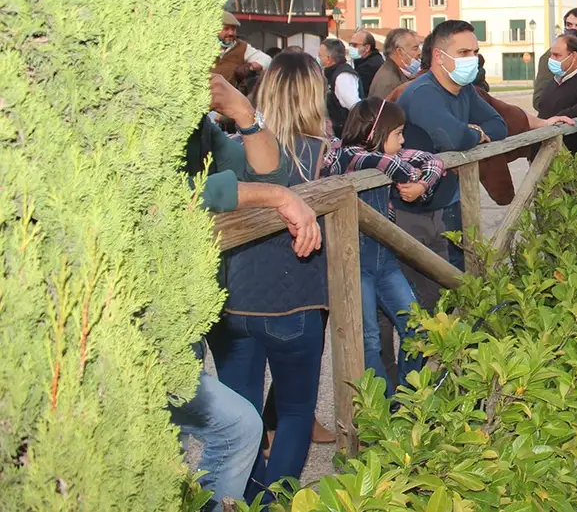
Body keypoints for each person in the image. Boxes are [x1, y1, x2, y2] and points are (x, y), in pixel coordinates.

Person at [173, 75, 317, 512]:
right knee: (227, 428)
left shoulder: (200, 123)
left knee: (231, 427)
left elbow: (269, 169)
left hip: (189, 311)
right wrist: (275, 196)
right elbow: (175, 195)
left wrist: (246, 116)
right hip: (143, 314)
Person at [206, 52, 334, 502]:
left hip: (232, 298)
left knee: (242, 420)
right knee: (296, 412)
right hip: (294, 298)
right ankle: (273, 504)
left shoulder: (233, 148)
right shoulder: (325, 153)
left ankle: (246, 499)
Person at [324, 97, 444, 396]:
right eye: (398, 133)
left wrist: (421, 184)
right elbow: (386, 163)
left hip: (384, 259)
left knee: (415, 326)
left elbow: (434, 160)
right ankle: (380, 406)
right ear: (374, 132)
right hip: (355, 260)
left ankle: (406, 394)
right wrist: (414, 178)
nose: (403, 140)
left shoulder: (386, 154)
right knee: (369, 338)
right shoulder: (347, 155)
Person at [391, 20, 510, 288]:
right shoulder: (423, 92)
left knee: (459, 279)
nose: (473, 60)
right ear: (438, 56)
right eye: (464, 53)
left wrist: (471, 132)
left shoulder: (465, 89)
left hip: (451, 201)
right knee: (427, 291)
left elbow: (499, 126)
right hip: (417, 210)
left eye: (475, 52)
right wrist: (476, 133)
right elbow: (452, 137)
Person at [534, 8, 577, 110]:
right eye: (569, 25)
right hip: (560, 121)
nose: (572, 29)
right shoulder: (551, 57)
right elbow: (539, 100)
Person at [213, 11, 272, 94]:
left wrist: (250, 67)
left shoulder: (242, 46)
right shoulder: (202, 47)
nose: (231, 33)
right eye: (226, 29)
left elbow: (267, 59)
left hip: (230, 99)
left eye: (233, 29)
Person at [320, 37, 361, 137]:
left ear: (329, 59)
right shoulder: (333, 74)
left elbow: (354, 106)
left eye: (320, 56)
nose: (319, 59)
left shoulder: (343, 77)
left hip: (343, 133)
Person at [369, 28, 420, 100]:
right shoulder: (389, 82)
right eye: (415, 48)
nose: (419, 52)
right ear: (400, 51)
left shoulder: (395, 74)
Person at [350, 30, 384, 96]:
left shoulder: (369, 67)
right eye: (350, 44)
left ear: (367, 48)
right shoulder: (374, 59)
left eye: (354, 45)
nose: (351, 48)